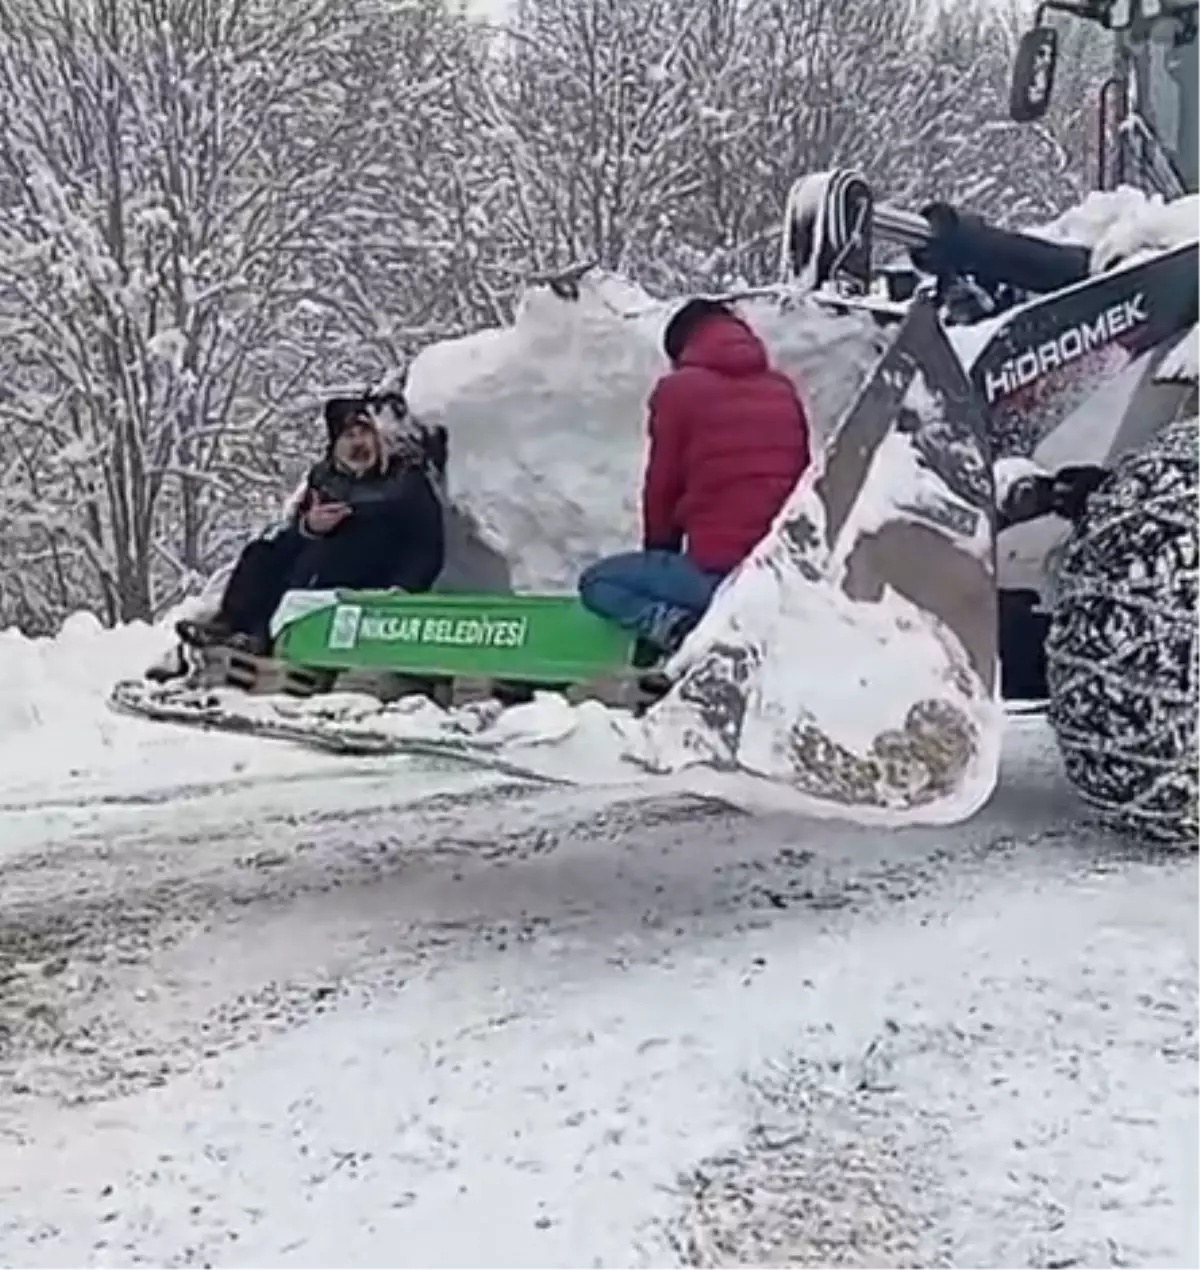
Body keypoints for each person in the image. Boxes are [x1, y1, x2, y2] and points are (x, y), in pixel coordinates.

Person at [578, 297, 811, 660]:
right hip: (778, 577)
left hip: (721, 577)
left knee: (599, 582)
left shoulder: (679, 391)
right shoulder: (782, 390)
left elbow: (663, 492)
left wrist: (661, 558)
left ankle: (684, 632)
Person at [177, 395, 445, 655]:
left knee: (330, 557)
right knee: (260, 555)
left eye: (364, 434)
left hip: (368, 581)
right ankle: (235, 627)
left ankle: (262, 635)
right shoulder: (325, 482)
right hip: (313, 571)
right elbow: (292, 539)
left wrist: (401, 591)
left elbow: (426, 546)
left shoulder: (405, 484)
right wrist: (310, 527)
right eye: (348, 436)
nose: (358, 444)